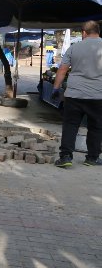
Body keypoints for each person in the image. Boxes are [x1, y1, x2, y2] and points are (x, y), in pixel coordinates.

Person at [52, 20, 102, 167]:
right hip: (98, 96)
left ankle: (66, 157)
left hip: (74, 95)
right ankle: (92, 158)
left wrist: (56, 88)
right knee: (96, 127)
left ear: (84, 33)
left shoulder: (74, 48)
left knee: (70, 125)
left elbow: (62, 70)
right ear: (98, 31)